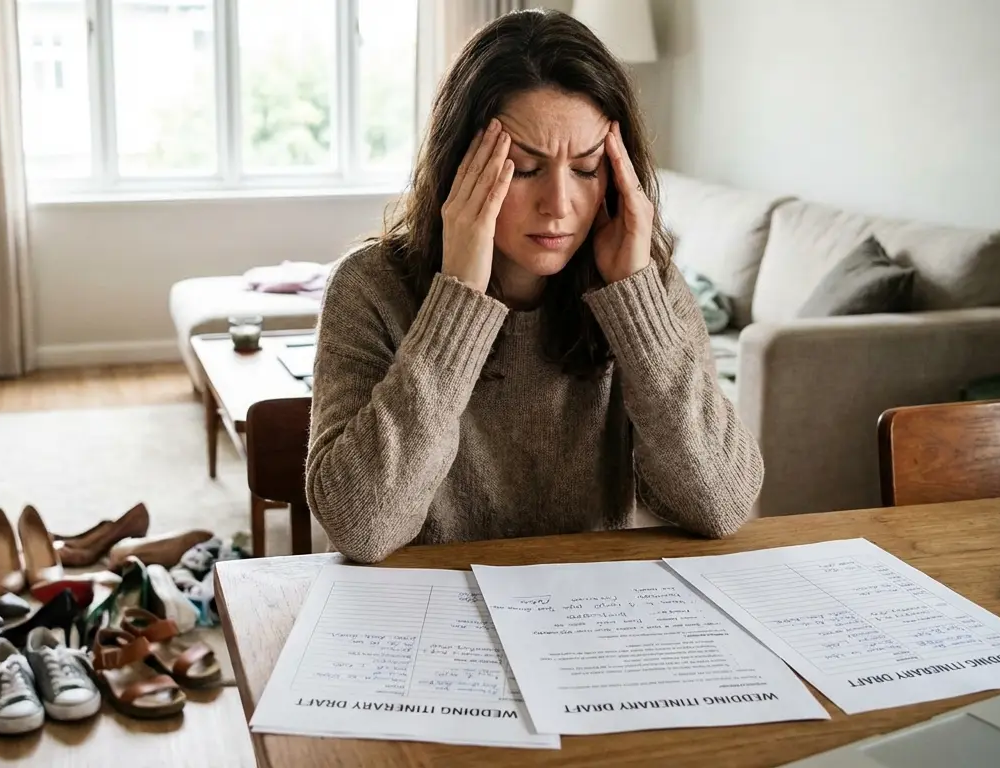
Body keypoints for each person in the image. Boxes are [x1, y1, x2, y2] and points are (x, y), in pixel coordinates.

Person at [305, 9, 763, 563]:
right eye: (524, 170)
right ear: (460, 168)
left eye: (588, 169)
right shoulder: (369, 287)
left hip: (583, 616)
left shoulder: (645, 286)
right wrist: (457, 302)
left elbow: (721, 504)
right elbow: (362, 529)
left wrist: (636, 303)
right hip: (424, 615)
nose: (560, 206)